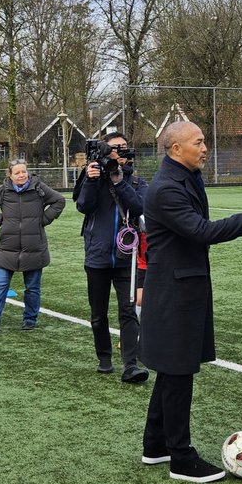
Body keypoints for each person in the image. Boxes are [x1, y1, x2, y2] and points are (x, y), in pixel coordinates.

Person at [139, 120, 242, 484]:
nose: (205, 147)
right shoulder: (167, 187)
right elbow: (200, 231)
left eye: (204, 140)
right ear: (175, 148)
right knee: (178, 374)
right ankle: (181, 458)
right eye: (198, 142)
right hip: (174, 293)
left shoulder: (185, 176)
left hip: (184, 288)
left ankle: (155, 445)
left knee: (171, 371)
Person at [75, 132, 149, 383]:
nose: (119, 152)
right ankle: (104, 357)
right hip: (97, 254)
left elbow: (139, 208)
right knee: (98, 313)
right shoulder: (93, 175)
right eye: (114, 147)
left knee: (128, 311)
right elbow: (84, 206)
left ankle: (131, 364)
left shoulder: (135, 182)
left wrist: (119, 181)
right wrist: (90, 179)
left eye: (123, 147)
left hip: (126, 256)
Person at [0, 160, 66, 334]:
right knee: (0, 285)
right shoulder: (3, 190)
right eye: (17, 173)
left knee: (32, 287)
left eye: (24, 172)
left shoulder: (38, 188)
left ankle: (30, 319)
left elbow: (59, 201)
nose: (22, 175)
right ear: (10, 175)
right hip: (6, 248)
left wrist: (44, 220)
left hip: (34, 247)